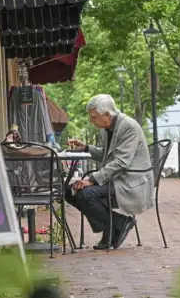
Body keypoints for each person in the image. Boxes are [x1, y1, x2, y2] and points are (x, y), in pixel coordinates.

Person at [66, 94, 155, 249]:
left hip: (132, 181)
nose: (91, 121)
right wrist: (86, 147)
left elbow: (121, 162)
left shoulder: (128, 127)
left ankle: (114, 226)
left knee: (86, 193)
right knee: (69, 191)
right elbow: (107, 155)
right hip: (118, 178)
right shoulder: (108, 128)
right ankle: (118, 224)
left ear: (107, 115)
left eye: (94, 117)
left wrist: (92, 179)